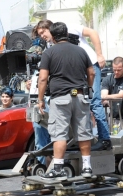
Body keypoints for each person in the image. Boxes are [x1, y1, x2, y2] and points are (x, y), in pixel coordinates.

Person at [34, 20, 111, 151]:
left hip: (91, 64)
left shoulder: (68, 28)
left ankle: (105, 139)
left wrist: (99, 54)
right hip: (77, 75)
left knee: (95, 101)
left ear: (50, 28)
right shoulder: (51, 46)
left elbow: (92, 32)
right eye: (39, 34)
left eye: (43, 32)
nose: (42, 36)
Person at [37, 22, 95, 180]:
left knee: (59, 134)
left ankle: (58, 168)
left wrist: (40, 99)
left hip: (60, 97)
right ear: (67, 34)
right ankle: (87, 167)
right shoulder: (81, 51)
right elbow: (91, 73)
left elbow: (42, 78)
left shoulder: (49, 53)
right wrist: (89, 89)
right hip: (80, 95)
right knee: (84, 133)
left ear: (53, 36)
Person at [101, 57, 123, 123]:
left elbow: (121, 95)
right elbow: (103, 95)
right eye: (114, 69)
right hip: (114, 117)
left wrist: (107, 97)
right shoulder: (107, 79)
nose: (116, 72)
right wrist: (106, 98)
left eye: (119, 70)